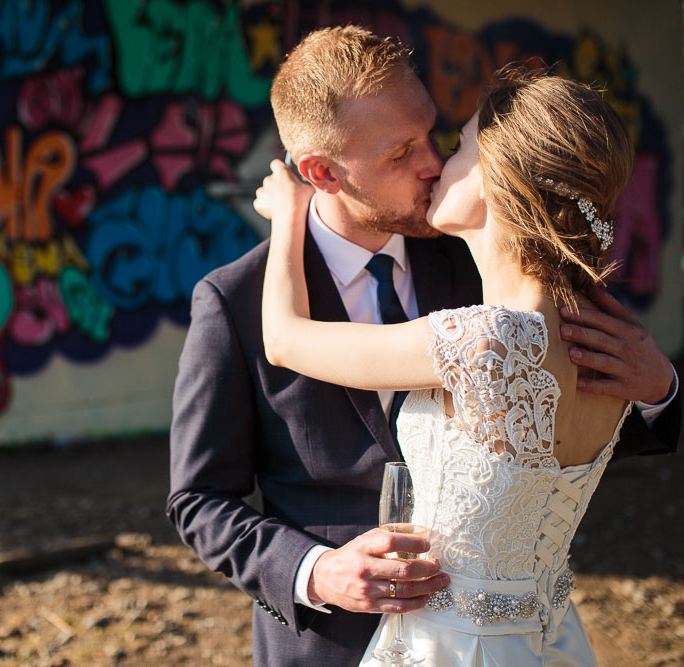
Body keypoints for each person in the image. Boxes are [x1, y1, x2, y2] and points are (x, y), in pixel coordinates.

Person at [166, 25, 680, 666]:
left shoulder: (491, 267)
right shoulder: (232, 300)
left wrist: (664, 394)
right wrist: (314, 571)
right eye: (399, 152)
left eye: (436, 134)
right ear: (321, 172)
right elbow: (198, 500)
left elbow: (556, 430)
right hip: (326, 645)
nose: (433, 162)